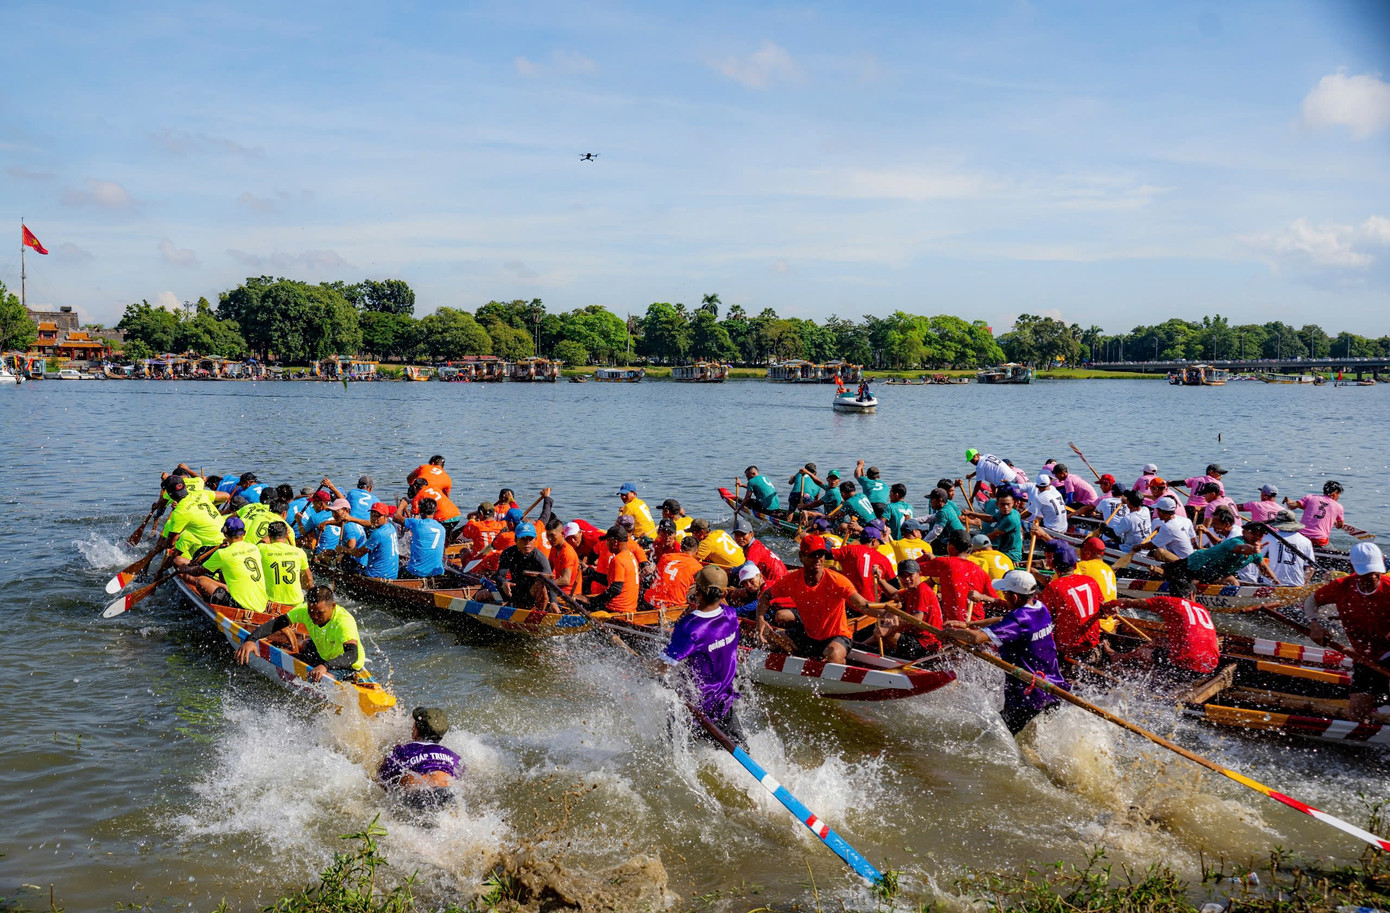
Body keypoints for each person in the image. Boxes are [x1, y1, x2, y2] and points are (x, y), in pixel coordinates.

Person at [942, 570, 1069, 735]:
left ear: (1014, 597)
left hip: (1028, 695)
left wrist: (949, 633)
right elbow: (1004, 620)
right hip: (1053, 688)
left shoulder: (1019, 619)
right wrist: (969, 625)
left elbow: (977, 638)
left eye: (1005, 594)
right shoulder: (1040, 607)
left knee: (993, 738)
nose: (1004, 597)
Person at [755, 535, 889, 664]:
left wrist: (886, 614)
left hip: (837, 635)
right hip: (809, 634)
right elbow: (766, 596)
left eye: (821, 554)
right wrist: (760, 619)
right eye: (813, 555)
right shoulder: (791, 580)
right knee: (769, 639)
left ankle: (841, 663)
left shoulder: (837, 581)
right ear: (801, 556)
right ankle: (801, 658)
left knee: (833, 655)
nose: (818, 559)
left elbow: (863, 604)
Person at [1304, 543, 1390, 722]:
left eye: (1376, 573)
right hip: (1365, 657)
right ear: (1352, 568)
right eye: (1366, 574)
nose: (1373, 578)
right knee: (1358, 715)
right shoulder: (1341, 586)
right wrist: (1314, 623)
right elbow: (1311, 601)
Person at [662, 565, 746, 746]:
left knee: (670, 752)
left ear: (697, 592)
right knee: (741, 752)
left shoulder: (690, 626)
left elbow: (663, 666)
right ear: (724, 594)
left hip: (693, 707)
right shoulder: (731, 615)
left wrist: (643, 666)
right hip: (723, 703)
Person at [235, 585, 366, 681]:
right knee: (300, 644)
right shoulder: (304, 610)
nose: (314, 616)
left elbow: (352, 655)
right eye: (311, 611)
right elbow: (277, 623)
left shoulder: (344, 622)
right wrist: (251, 639)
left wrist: (324, 666)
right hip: (323, 650)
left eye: (319, 613)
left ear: (333, 606)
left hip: (346, 664)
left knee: (325, 678)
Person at [1104, 577, 1219, 681]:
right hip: (1211, 665)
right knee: (1158, 641)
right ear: (1191, 595)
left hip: (1185, 665)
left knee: (1144, 653)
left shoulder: (1170, 602)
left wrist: (1110, 604)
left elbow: (1129, 602)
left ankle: (1121, 660)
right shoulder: (1202, 608)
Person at [377, 706, 464, 813]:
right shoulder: (453, 756)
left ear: (416, 730)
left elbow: (382, 780)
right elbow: (462, 780)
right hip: (447, 794)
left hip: (416, 795)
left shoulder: (401, 751)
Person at [174, 516, 269, 613]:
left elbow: (197, 572)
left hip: (240, 605)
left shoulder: (222, 554)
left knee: (202, 582)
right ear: (244, 533)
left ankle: (211, 609)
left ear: (225, 534)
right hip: (261, 604)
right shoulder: (254, 548)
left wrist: (184, 569)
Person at [1039, 542, 1105, 662]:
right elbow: (1102, 608)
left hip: (1069, 649)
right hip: (1094, 644)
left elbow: (1043, 618)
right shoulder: (1090, 581)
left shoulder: (1053, 587)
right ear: (1075, 565)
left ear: (1053, 566)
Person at [869, 559, 943, 660]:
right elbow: (893, 594)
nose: (906, 579)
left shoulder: (922, 591)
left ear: (919, 574)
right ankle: (861, 645)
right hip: (917, 637)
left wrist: (888, 630)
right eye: (903, 576)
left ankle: (860, 647)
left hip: (926, 644)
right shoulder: (911, 591)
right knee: (885, 628)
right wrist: (880, 580)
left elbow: (916, 619)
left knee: (887, 634)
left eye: (910, 575)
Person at [920, 529, 999, 623]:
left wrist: (924, 558)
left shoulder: (945, 563)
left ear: (950, 546)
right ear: (971, 547)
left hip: (953, 624)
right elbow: (995, 602)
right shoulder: (981, 571)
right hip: (976, 624)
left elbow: (912, 570)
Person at [493, 523, 551, 609]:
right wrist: (503, 583)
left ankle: (540, 612)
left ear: (535, 539)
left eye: (530, 539)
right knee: (481, 595)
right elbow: (499, 576)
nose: (527, 543)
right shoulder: (508, 553)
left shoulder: (540, 558)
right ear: (516, 540)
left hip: (532, 594)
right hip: (514, 590)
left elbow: (550, 581)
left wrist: (553, 602)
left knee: (542, 585)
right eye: (523, 539)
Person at [828, 526, 895, 601]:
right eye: (879, 543)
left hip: (849, 602)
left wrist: (828, 543)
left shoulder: (850, 550)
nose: (879, 546)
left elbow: (825, 553)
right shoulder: (883, 559)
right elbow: (894, 586)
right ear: (874, 542)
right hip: (873, 605)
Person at [258, 520, 313, 610]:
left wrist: (268, 535)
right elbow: (309, 578)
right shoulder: (299, 552)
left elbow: (261, 542)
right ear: (286, 535)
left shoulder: (262, 549)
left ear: (269, 535)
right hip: (295, 602)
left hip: (271, 602)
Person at [584, 526, 640, 614]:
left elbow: (615, 589)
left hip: (616, 609)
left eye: (608, 541)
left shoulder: (618, 560)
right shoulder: (630, 555)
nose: (606, 544)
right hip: (629, 608)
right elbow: (610, 581)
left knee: (580, 604)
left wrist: (592, 601)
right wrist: (588, 571)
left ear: (615, 542)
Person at [340, 504, 401, 580]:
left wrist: (342, 549)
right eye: (372, 515)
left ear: (386, 517)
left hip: (376, 576)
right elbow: (370, 524)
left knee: (346, 560)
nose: (374, 518)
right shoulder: (391, 527)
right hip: (392, 576)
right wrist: (352, 519)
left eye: (378, 516)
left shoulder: (378, 534)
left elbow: (358, 553)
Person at [1259, 509, 1315, 587]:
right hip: (1297, 584)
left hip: (1272, 583)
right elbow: (1310, 568)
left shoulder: (1269, 537)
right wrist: (1305, 584)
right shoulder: (1306, 541)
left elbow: (1257, 558)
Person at [647, 536, 704, 610]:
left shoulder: (665, 557)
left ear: (681, 548)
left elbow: (654, 577)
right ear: (697, 551)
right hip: (675, 604)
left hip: (651, 600)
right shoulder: (697, 567)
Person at [396, 498, 447, 578]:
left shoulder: (417, 524)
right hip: (438, 573)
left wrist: (402, 505)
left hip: (417, 573)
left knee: (401, 569)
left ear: (420, 511)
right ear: (435, 511)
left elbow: (396, 517)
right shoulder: (441, 528)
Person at [1286, 481, 1346, 547]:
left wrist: (1288, 501)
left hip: (1301, 536)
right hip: (1319, 540)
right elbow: (1340, 526)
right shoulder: (1339, 507)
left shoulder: (1310, 497)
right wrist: (1335, 522)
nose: (1338, 496)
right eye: (1339, 494)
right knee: (1334, 551)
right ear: (1335, 493)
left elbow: (1292, 506)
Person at [730, 516, 787, 583]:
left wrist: (731, 571)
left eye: (743, 534)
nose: (740, 538)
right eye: (737, 535)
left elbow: (748, 566)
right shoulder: (755, 543)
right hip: (782, 576)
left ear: (751, 534)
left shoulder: (753, 548)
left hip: (778, 581)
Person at [1143, 497, 1196, 561]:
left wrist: (1138, 547)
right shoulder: (1186, 520)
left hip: (1183, 561)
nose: (1157, 513)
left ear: (1161, 512)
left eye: (1157, 510)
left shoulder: (1167, 527)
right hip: (1191, 556)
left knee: (1159, 551)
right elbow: (1193, 538)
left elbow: (1152, 546)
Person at [979, 490, 1024, 563]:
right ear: (997, 504)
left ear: (1012, 503)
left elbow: (992, 535)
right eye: (1002, 504)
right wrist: (973, 513)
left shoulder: (1010, 519)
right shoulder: (1008, 512)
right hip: (1003, 551)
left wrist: (973, 543)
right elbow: (991, 518)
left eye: (1008, 504)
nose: (1005, 507)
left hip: (1010, 555)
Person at [920, 487, 966, 552]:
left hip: (959, 543)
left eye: (932, 500)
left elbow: (935, 532)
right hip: (962, 537)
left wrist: (922, 544)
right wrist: (913, 520)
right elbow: (929, 518)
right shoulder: (947, 507)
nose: (930, 502)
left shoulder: (943, 512)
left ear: (940, 500)